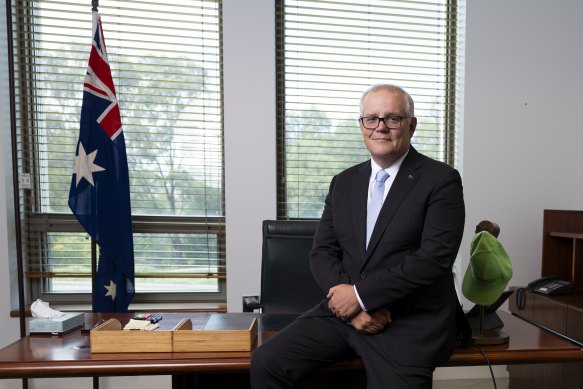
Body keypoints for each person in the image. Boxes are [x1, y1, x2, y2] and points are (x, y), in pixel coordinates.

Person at [250, 84, 465, 389]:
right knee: (267, 363)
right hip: (343, 315)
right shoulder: (344, 182)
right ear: (361, 125)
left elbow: (434, 259)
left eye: (393, 118)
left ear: (411, 125)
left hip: (407, 321)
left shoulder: (441, 180)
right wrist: (349, 306)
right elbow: (322, 252)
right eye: (371, 119)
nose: (381, 127)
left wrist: (361, 298)